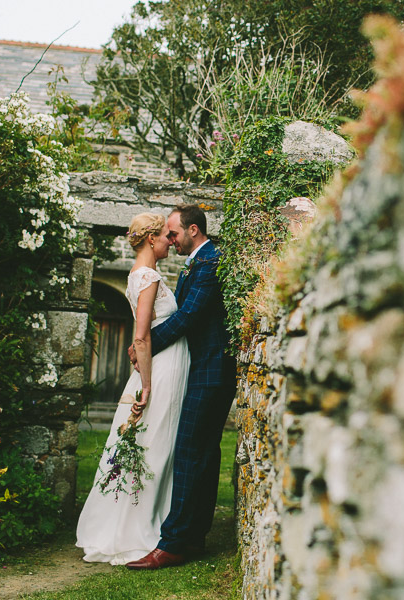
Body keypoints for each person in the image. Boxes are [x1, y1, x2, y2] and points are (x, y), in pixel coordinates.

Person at [125, 204, 237, 570]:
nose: (169, 241)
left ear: (193, 230)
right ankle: (193, 537)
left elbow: (188, 317)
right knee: (201, 453)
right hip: (200, 368)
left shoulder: (209, 262)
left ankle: (173, 544)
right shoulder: (198, 262)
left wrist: (145, 343)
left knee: (190, 451)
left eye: (173, 234)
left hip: (211, 370)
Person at [77, 212, 190, 565]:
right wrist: (146, 384)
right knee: (154, 443)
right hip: (162, 369)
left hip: (162, 365)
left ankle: (146, 519)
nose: (171, 242)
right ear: (150, 240)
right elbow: (141, 336)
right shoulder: (149, 276)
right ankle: (135, 529)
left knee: (151, 442)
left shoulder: (137, 275)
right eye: (165, 238)